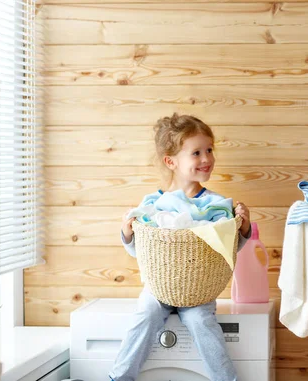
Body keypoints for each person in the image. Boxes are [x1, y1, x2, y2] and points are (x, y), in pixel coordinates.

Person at [110, 113, 251, 381]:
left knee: (201, 322)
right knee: (146, 314)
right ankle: (119, 377)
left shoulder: (217, 204)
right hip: (159, 286)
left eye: (209, 150)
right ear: (171, 161)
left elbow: (227, 246)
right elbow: (143, 252)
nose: (206, 158)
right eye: (196, 152)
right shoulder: (153, 204)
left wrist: (243, 227)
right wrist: (127, 233)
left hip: (199, 288)